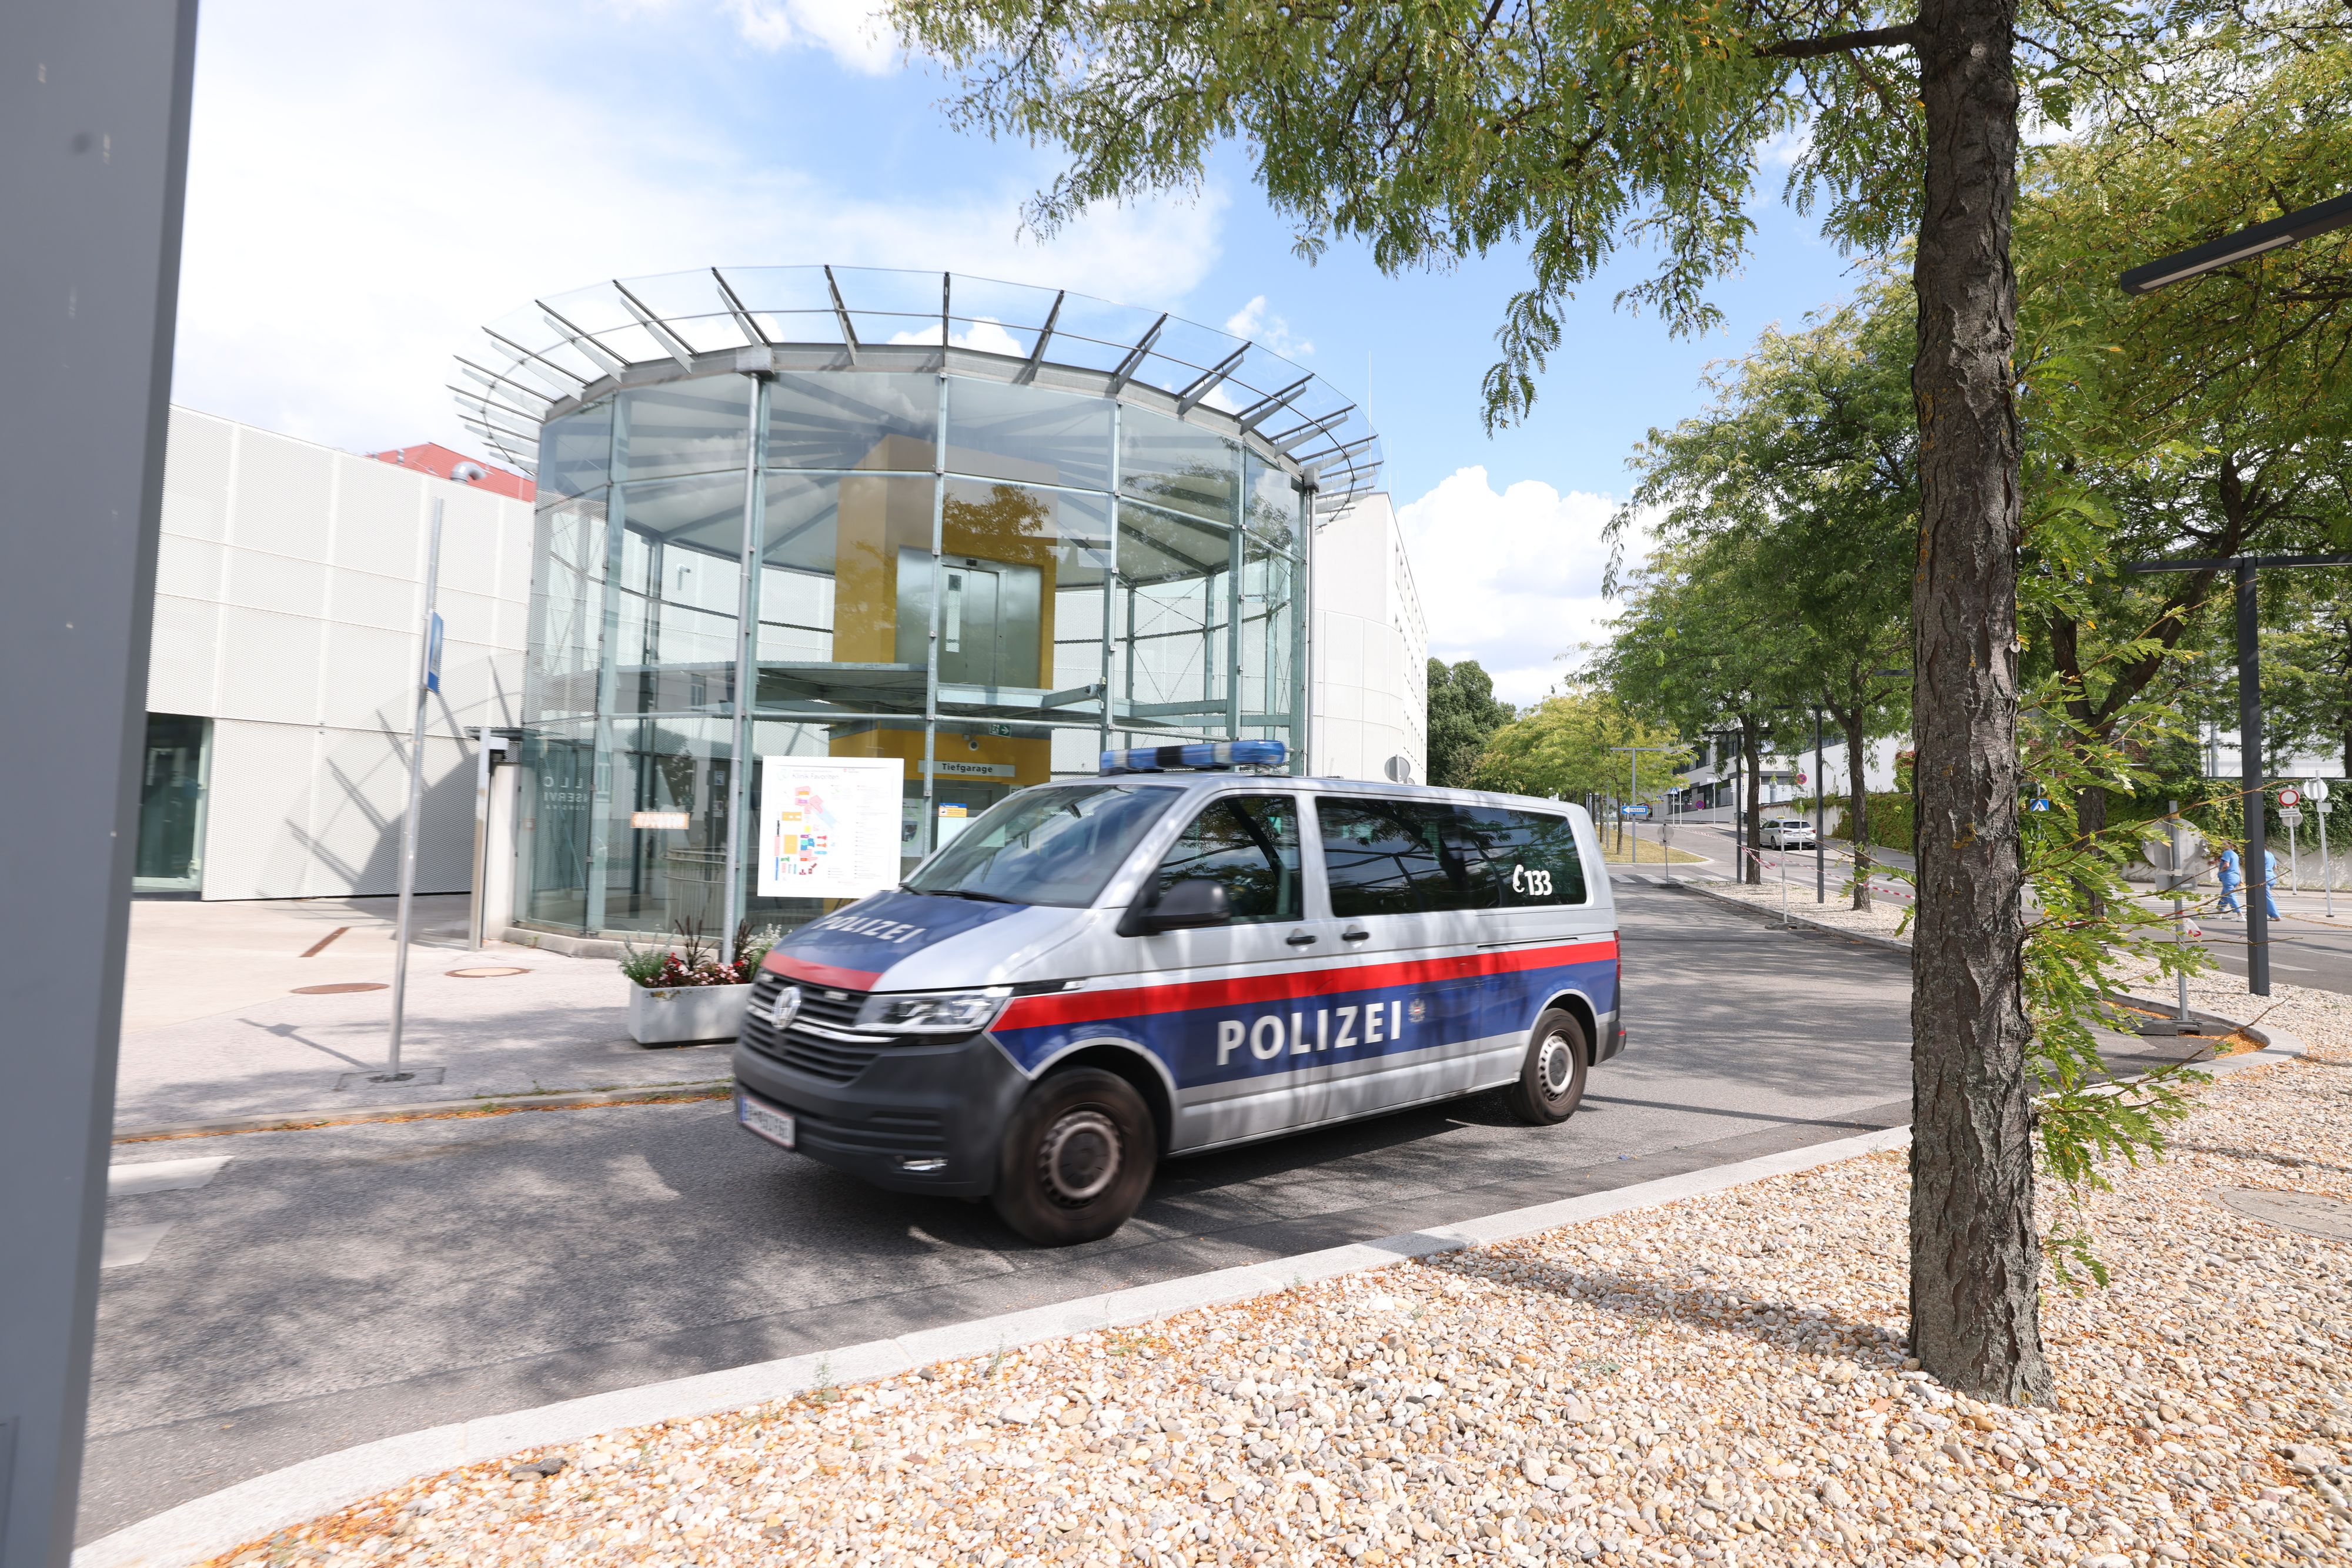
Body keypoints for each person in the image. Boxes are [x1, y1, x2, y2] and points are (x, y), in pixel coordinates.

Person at [2216, 845, 2243, 915]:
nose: (2222, 845)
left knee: (2231, 896)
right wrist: (2241, 880)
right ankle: (2220, 912)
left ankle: (2240, 915)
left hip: (2228, 877)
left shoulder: (2227, 853)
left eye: (2224, 843)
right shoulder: (2235, 855)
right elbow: (2238, 868)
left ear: (2230, 845)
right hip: (2236, 877)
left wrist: (2220, 872)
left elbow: (2226, 865)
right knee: (2225, 895)